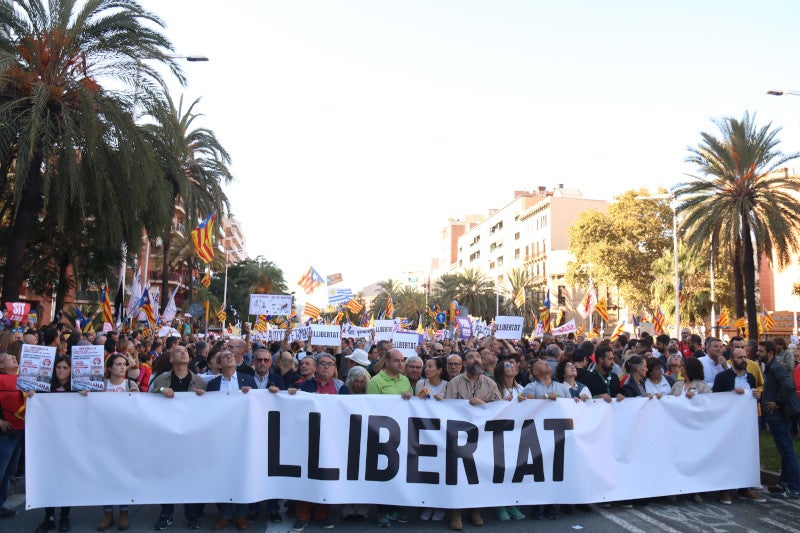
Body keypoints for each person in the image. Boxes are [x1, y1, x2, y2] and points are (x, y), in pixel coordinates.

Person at [288, 353, 349, 531]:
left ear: (335, 368)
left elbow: (350, 409)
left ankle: (322, 514)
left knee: (325, 476)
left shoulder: (340, 387)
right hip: (306, 438)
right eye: (323, 363)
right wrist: (291, 395)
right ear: (316, 367)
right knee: (305, 476)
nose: (326, 367)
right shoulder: (303, 386)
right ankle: (302, 515)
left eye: (330, 364)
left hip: (331, 440)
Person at [150, 345, 207, 530]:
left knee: (191, 476)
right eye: (178, 352)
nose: (184, 353)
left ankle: (191, 515)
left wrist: (203, 397)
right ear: (172, 359)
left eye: (186, 351)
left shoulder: (199, 382)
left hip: (192, 438)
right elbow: (148, 398)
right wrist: (161, 391)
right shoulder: (161, 379)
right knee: (167, 476)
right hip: (167, 437)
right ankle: (166, 513)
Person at [444, 350, 500, 530]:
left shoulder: (490, 383)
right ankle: (456, 512)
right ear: (464, 364)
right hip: (459, 437)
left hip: (482, 438)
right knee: (459, 473)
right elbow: (447, 409)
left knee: (478, 474)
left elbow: (499, 409)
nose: (476, 360)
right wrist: (467, 406)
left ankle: (475, 510)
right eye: (471, 357)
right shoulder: (455, 383)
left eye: (478, 357)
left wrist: (483, 407)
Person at [207, 350, 256, 530]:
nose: (230, 357)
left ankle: (241, 514)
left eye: (232, 356)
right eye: (225, 357)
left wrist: (250, 394)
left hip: (243, 434)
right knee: (223, 475)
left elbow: (259, 403)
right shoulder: (213, 385)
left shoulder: (248, 380)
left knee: (242, 473)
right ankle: (225, 513)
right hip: (221, 436)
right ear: (219, 365)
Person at [711, 347, 765, 505]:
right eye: (740, 357)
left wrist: (757, 396)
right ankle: (725, 491)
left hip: (746, 425)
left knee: (747, 454)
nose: (744, 360)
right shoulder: (722, 377)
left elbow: (754, 398)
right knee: (727, 455)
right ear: (732, 360)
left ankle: (745, 489)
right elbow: (716, 398)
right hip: (728, 425)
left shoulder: (751, 378)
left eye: (745, 357)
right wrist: (731, 393)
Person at [366, 349, 413, 527]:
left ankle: (395, 508)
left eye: (402, 360)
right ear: (386, 362)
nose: (401, 364)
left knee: (398, 471)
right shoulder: (376, 381)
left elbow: (411, 406)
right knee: (383, 472)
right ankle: (382, 510)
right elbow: (370, 407)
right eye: (397, 361)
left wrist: (411, 397)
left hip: (401, 434)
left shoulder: (405, 380)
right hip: (382, 434)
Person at [97, 353, 139, 530]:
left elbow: (139, 410)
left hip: (125, 438)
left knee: (123, 475)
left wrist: (137, 398)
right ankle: (107, 513)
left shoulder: (131, 384)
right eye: (118, 364)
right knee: (105, 475)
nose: (122, 367)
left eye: (124, 364)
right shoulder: (101, 386)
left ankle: (123, 511)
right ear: (109, 368)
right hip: (104, 437)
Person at [758, 340, 800, 499]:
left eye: (761, 351)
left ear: (770, 353)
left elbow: (789, 385)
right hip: (778, 415)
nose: (758, 353)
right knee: (784, 450)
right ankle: (784, 483)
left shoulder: (775, 368)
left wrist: (778, 402)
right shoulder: (771, 368)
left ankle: (794, 487)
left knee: (787, 450)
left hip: (779, 415)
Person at [0, 352, 23, 521]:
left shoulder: (22, 377)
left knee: (8, 473)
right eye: (7, 357)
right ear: (1, 366)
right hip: (4, 434)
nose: (12, 357)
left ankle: (1, 505)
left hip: (18, 432)